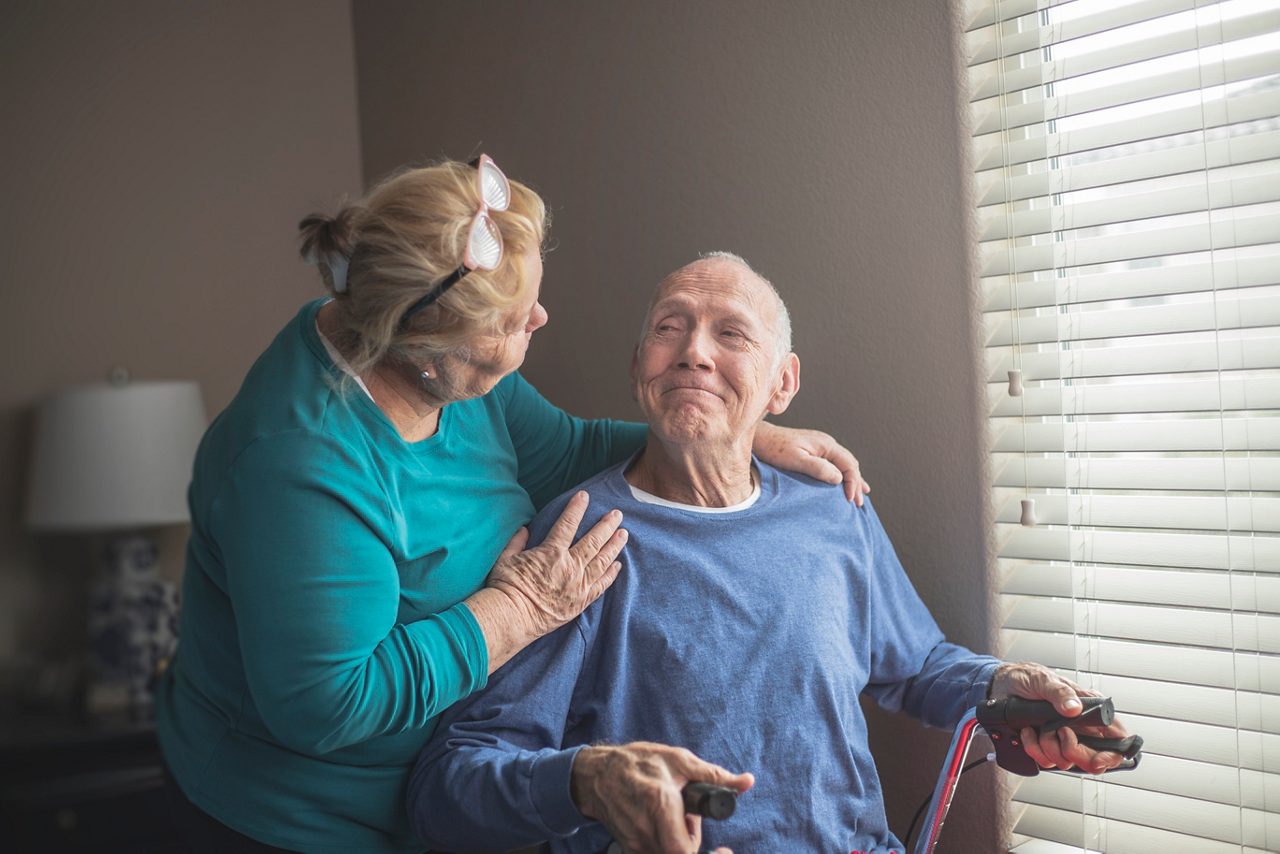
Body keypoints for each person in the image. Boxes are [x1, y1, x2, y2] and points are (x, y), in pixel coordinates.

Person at [154, 158, 869, 854]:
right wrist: (516, 613)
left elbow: (566, 448)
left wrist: (739, 431)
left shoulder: (433, 361)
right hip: (294, 822)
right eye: (511, 317)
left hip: (432, 801)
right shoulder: (297, 463)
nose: (539, 316)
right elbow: (331, 701)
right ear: (424, 346)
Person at [409, 253, 1131, 854]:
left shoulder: (832, 511)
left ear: (782, 384)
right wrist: (588, 779)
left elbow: (914, 664)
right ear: (639, 367)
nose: (694, 350)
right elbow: (450, 787)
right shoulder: (578, 544)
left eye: (730, 333)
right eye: (671, 328)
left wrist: (1007, 687)